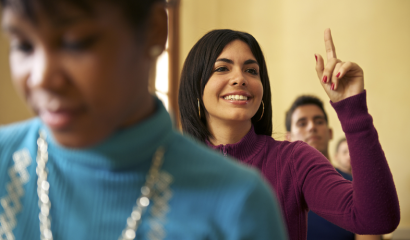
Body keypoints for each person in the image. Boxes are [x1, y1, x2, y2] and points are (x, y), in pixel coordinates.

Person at [0, 1, 288, 239]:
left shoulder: (238, 202)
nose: (42, 78)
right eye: (24, 45)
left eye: (76, 43)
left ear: (153, 30)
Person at [178, 28, 400, 240]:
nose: (240, 78)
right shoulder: (173, 167)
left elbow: (377, 220)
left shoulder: (294, 160)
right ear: (196, 86)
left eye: (251, 70)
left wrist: (353, 108)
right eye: (222, 68)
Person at [286, 96, 381, 240]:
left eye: (318, 121)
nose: (312, 127)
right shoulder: (277, 189)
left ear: (330, 133)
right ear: (288, 139)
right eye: (302, 123)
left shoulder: (358, 186)